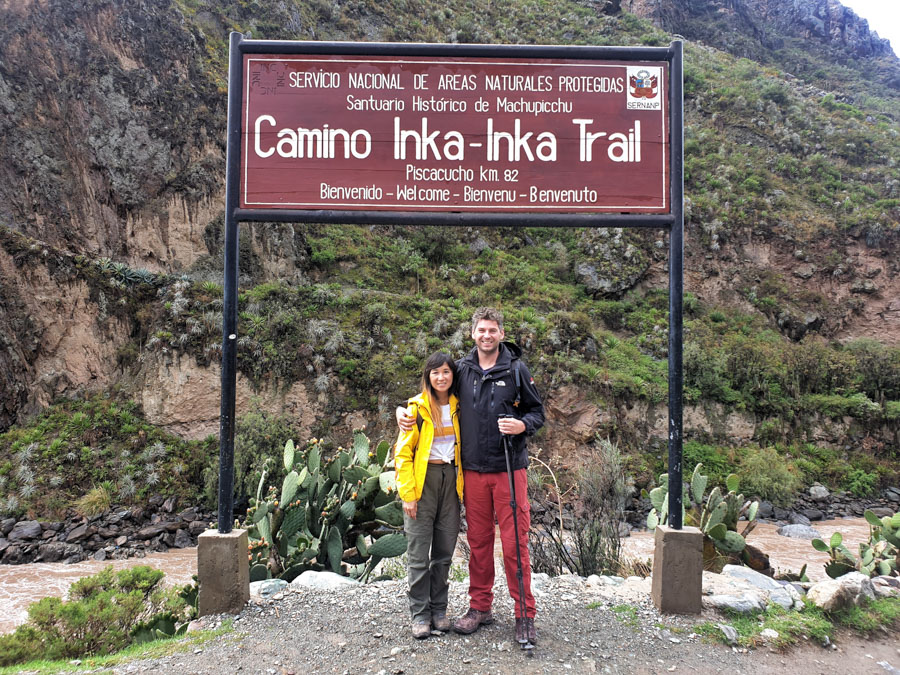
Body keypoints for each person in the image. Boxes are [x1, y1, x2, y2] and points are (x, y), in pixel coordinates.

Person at [397, 307, 544, 645]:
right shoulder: (462, 371)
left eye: (493, 330)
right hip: (473, 473)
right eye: (481, 330)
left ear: (501, 334)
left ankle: (524, 614)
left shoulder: (517, 370)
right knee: (478, 544)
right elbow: (432, 394)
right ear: (473, 334)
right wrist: (402, 411)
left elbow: (538, 412)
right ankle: (481, 607)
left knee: (514, 544)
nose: (487, 335)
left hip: (509, 469)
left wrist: (523, 424)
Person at [394, 352, 464, 639]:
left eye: (446, 372)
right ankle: (420, 614)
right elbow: (402, 454)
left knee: (445, 553)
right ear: (428, 376)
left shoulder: (462, 406)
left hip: (452, 481)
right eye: (435, 372)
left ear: (452, 375)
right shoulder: (416, 409)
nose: (441, 377)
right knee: (419, 554)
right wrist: (408, 495)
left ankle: (439, 611)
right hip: (424, 483)